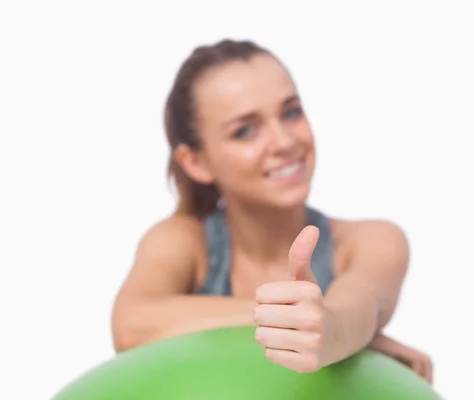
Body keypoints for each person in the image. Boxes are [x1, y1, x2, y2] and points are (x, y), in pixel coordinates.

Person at [110, 39, 433, 383]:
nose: (283, 142)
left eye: (291, 112)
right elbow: (132, 324)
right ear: (197, 162)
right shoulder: (183, 241)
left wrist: (339, 329)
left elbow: (362, 304)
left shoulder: (371, 240)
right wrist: (301, 323)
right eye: (245, 130)